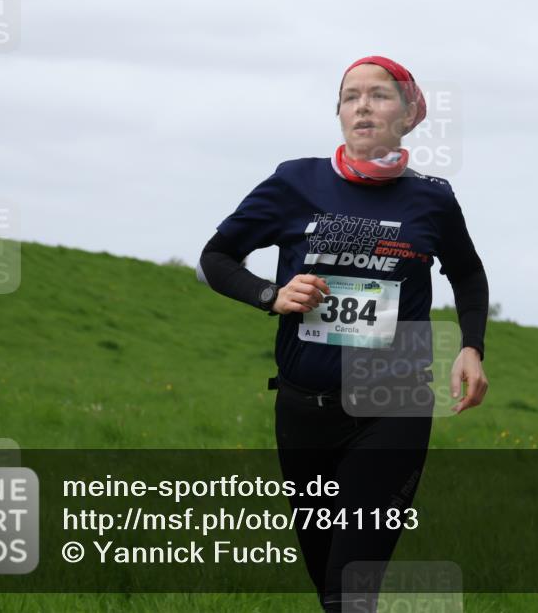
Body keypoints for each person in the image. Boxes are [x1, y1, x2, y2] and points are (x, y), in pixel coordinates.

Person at [199, 55, 489, 612]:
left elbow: (468, 274)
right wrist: (272, 295)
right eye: (350, 95)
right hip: (303, 406)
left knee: (350, 586)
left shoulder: (432, 197)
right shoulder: (294, 181)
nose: (363, 105)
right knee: (325, 575)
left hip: (394, 399)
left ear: (408, 115)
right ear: (338, 112)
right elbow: (217, 257)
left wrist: (471, 347)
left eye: (379, 95)